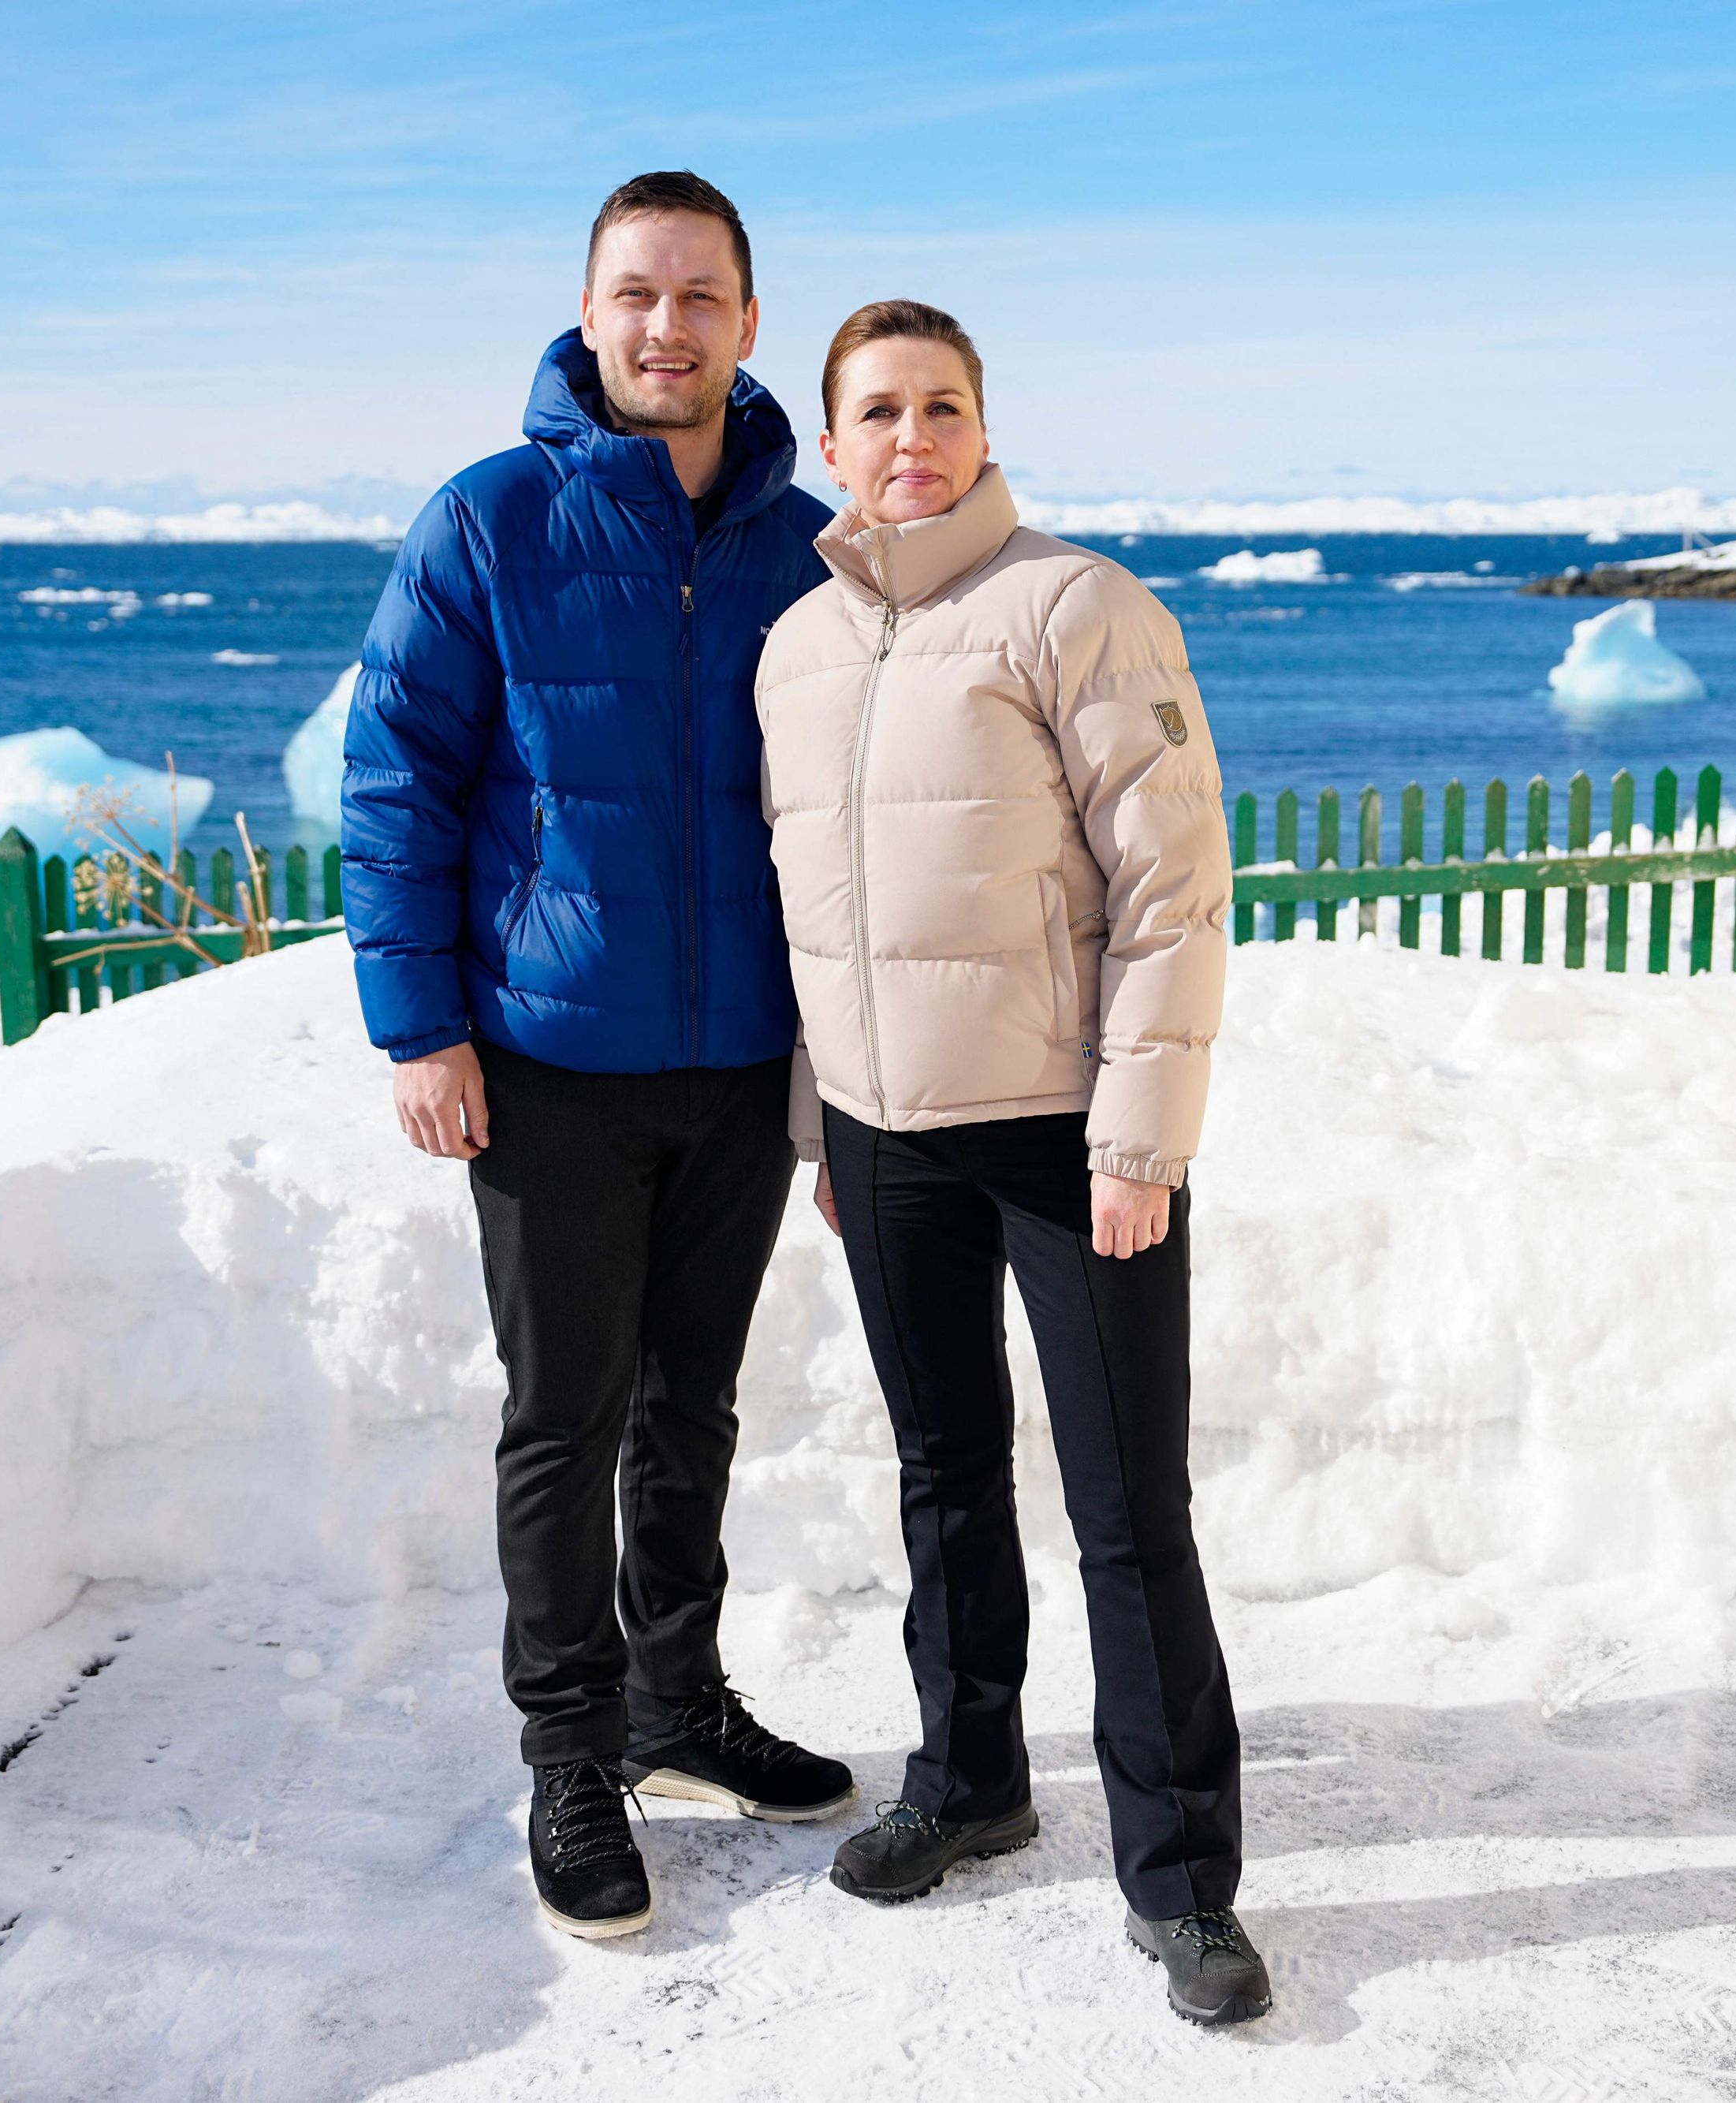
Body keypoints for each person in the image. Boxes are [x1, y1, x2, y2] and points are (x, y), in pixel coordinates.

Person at [340, 171, 854, 1942]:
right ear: (586, 312)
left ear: (745, 322)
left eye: (699, 294)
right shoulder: (487, 520)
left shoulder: (808, 542)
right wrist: (417, 1021)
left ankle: (678, 1704)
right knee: (564, 1417)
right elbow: (396, 773)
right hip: (548, 1061)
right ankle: (569, 1754)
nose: (665, 325)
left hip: (732, 1066)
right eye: (634, 292)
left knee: (690, 1406)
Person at [754, 300, 1268, 2026]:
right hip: (888, 1144)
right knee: (943, 1475)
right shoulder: (796, 650)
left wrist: (1136, 1138)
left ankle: (1182, 1877)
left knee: (1129, 1510)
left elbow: (1172, 888)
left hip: (1064, 1141)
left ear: (984, 427)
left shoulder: (1073, 604)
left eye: (943, 406)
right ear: (830, 443)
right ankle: (970, 1776)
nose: (913, 437)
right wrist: (826, 1121)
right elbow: (810, 915)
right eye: (879, 411)